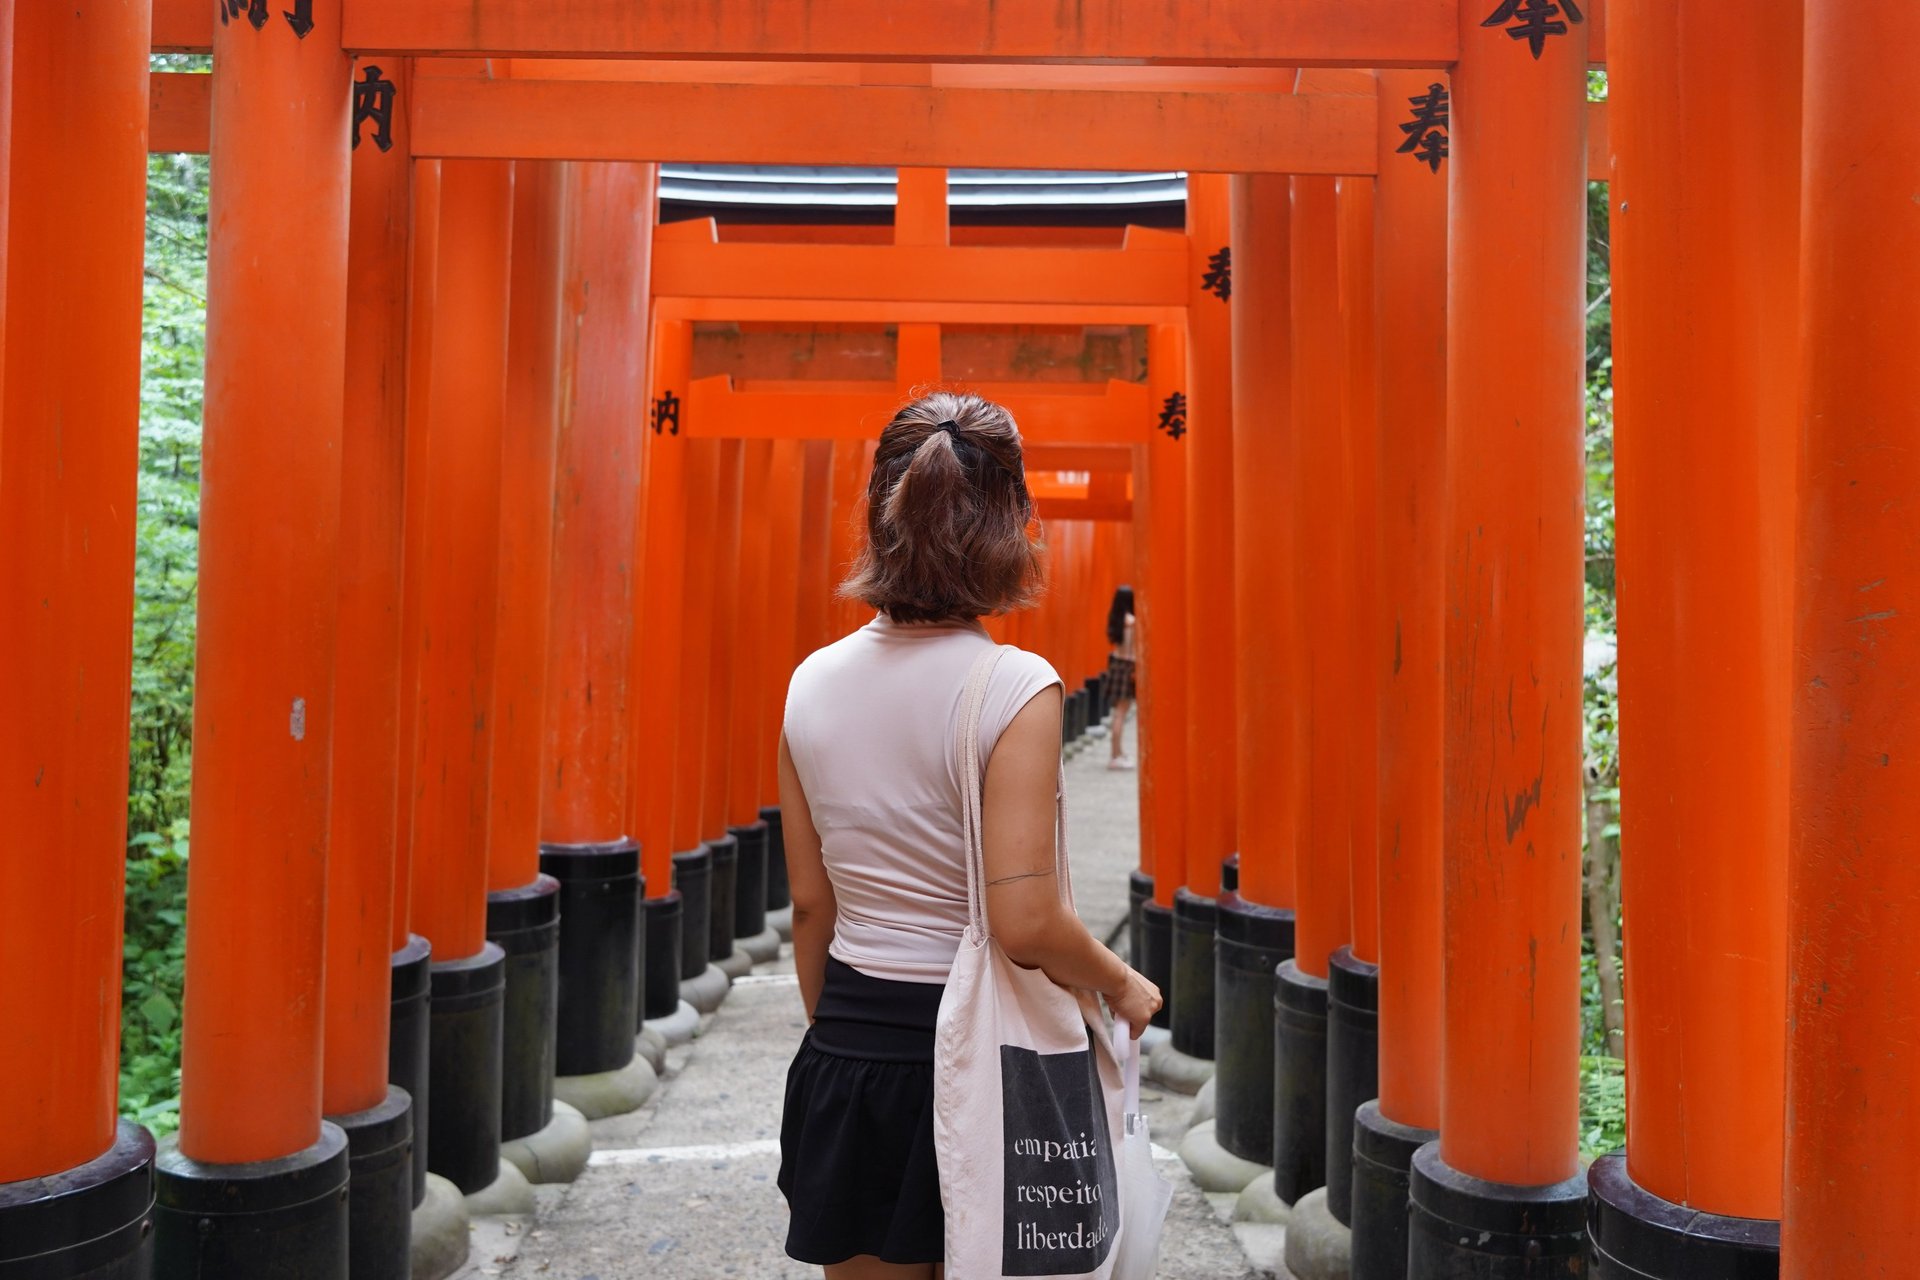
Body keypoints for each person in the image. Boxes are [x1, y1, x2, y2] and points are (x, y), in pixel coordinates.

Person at [775, 391, 1164, 1280]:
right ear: (1014, 521)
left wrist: (840, 1042)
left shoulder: (809, 684)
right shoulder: (1015, 687)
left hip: (852, 1044)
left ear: (880, 510)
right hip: (988, 1055)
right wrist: (1122, 982)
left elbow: (809, 905)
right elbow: (1025, 921)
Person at [1103, 585, 1137, 770]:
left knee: (1118, 712)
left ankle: (1117, 752)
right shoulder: (1132, 621)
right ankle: (1115, 756)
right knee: (1121, 714)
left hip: (1116, 663)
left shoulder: (1115, 619)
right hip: (1128, 665)